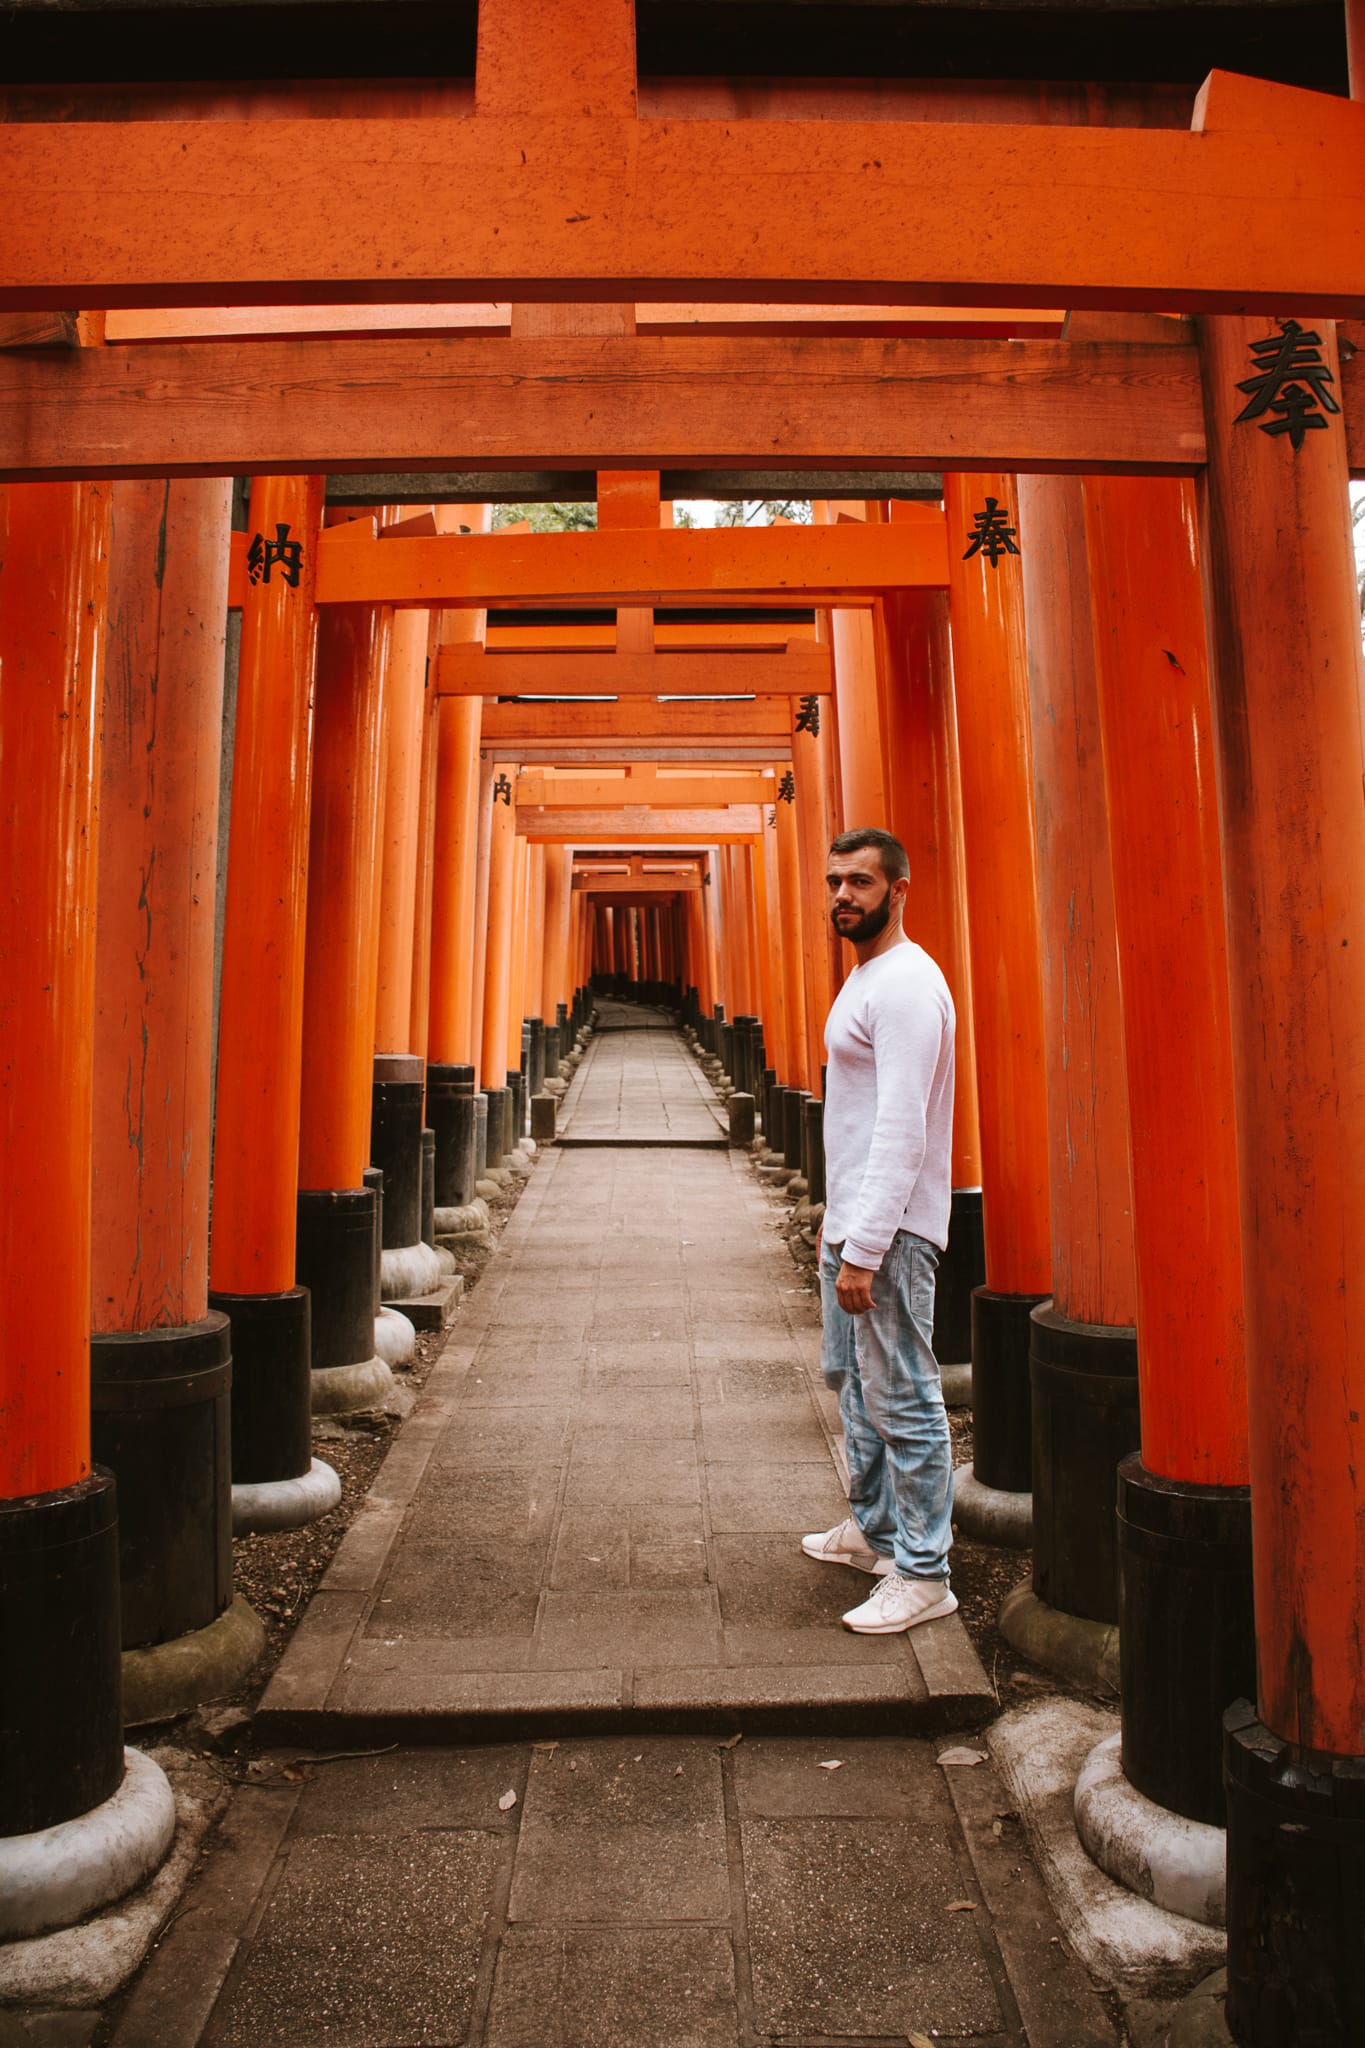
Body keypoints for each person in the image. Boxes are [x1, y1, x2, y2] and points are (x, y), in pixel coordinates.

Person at [801, 826, 957, 1633]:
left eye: (859, 882)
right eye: (834, 881)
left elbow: (903, 1128)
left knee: (903, 1396)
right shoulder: (868, 977)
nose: (842, 896)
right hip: (854, 1223)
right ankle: (874, 1531)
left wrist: (864, 1248)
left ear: (897, 890)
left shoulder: (902, 985)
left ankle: (924, 1572)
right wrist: (839, 1230)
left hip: (888, 1234)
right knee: (850, 1380)